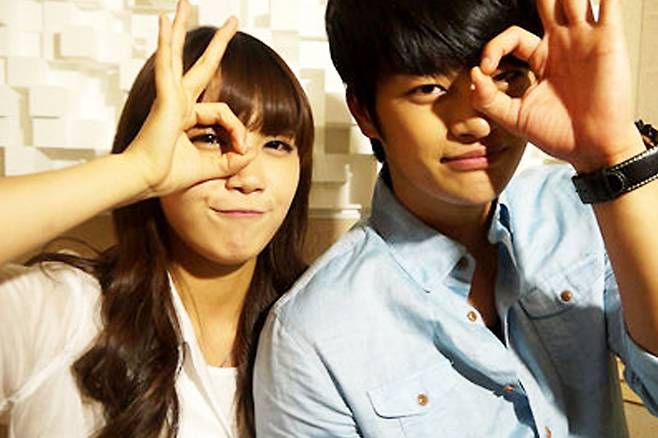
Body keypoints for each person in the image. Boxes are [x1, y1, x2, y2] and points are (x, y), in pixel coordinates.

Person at [253, 0, 658, 436]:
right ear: (365, 112)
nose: (476, 123)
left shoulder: (580, 209)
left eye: (505, 76)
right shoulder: (312, 335)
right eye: (429, 89)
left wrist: (612, 152)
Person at [0, 0, 313, 436]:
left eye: (277, 145)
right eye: (210, 137)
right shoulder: (63, 311)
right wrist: (137, 170)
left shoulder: (324, 327)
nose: (248, 178)